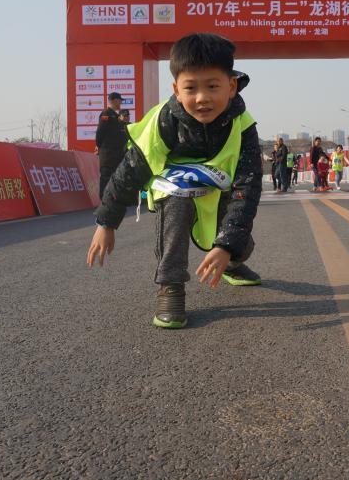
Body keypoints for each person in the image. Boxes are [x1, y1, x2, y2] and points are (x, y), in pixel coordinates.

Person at [86, 33, 263, 330]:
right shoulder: (164, 121)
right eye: (191, 88)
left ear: (231, 86)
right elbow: (130, 171)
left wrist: (227, 246)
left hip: (220, 190)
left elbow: (248, 186)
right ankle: (171, 287)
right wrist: (106, 223)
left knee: (238, 243)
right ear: (176, 90)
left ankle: (232, 263)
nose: (202, 98)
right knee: (177, 204)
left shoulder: (243, 125)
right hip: (174, 188)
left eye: (212, 86)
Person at [95, 92, 128, 200]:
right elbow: (100, 131)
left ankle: (112, 199)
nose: (121, 103)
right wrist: (99, 146)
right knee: (106, 176)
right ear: (114, 100)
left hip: (116, 153)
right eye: (119, 100)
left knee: (115, 177)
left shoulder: (116, 116)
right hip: (107, 153)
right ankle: (103, 200)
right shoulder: (106, 114)